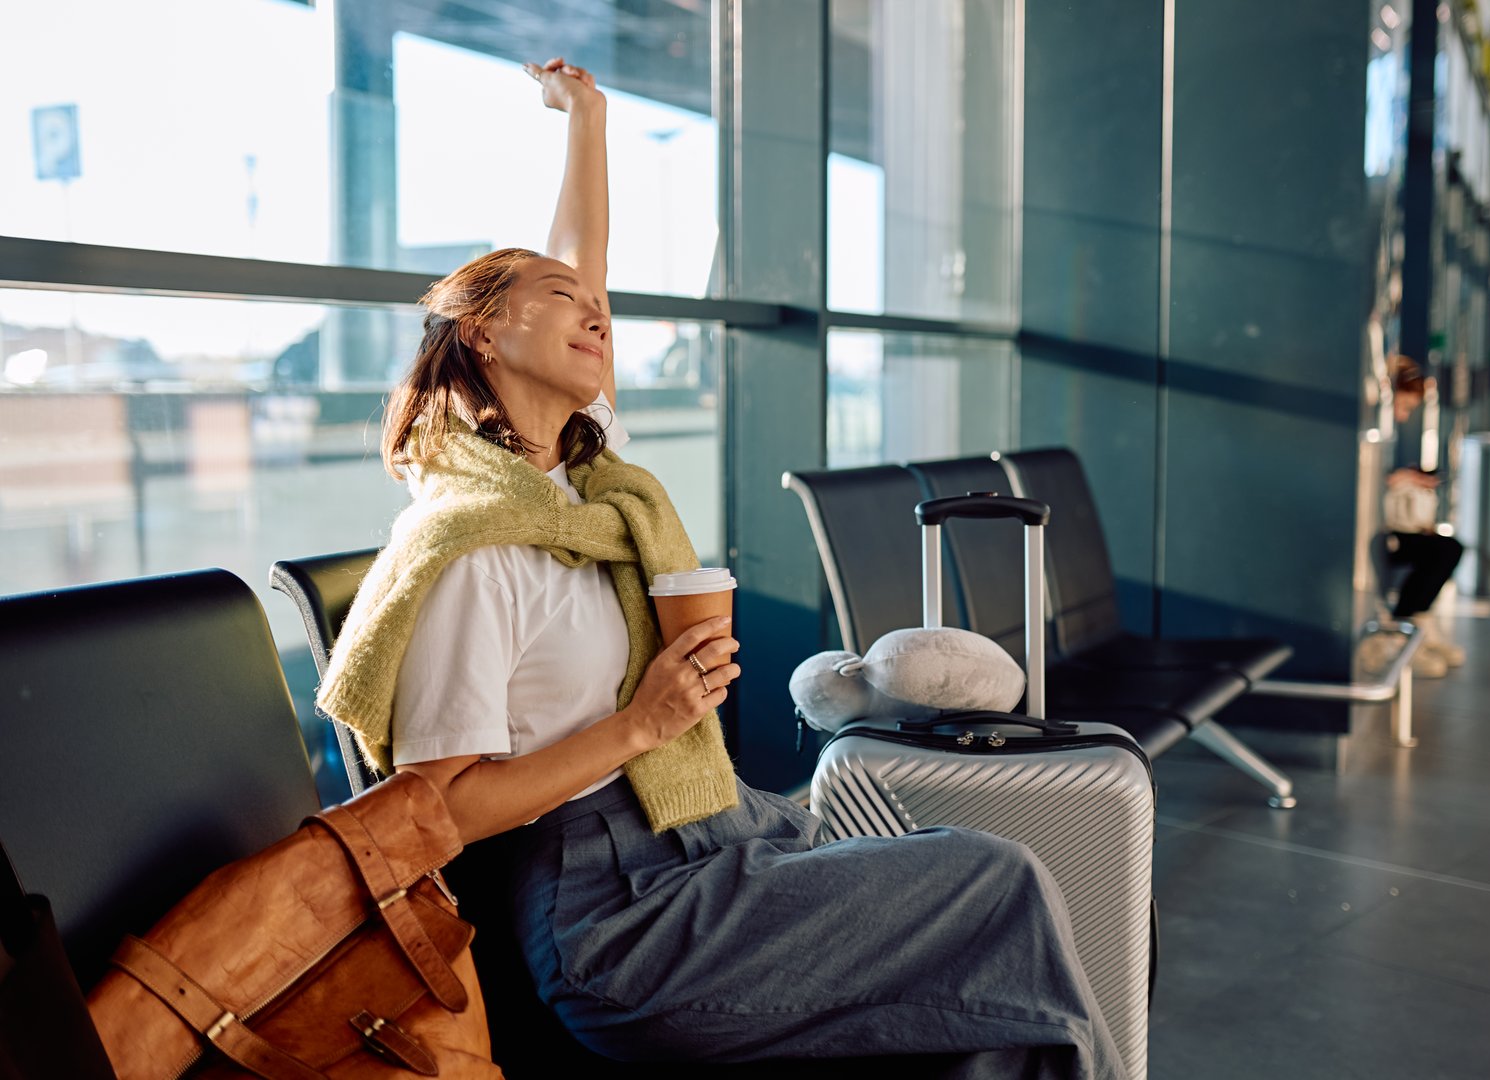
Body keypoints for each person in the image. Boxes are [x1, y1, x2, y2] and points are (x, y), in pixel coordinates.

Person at [315, 58, 1124, 1079]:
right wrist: (641, 724)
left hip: (706, 830)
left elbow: (584, 262)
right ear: (482, 335)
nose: (595, 314)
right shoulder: (471, 548)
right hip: (612, 914)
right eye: (561, 302)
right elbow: (441, 811)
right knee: (989, 884)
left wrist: (588, 121)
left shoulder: (586, 499)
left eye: (593, 306)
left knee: (982, 987)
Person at [1378, 356, 1466, 677]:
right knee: (1442, 551)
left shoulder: (1383, 438)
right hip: (1380, 533)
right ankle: (1405, 627)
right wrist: (1398, 479)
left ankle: (1415, 625)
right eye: (1401, 407)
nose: (1403, 416)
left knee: (1448, 548)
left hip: (1386, 528)